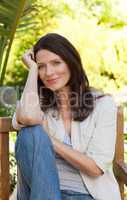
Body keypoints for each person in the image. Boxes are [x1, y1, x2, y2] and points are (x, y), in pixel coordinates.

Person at [12, 33, 121, 200]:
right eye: (41, 66)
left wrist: (49, 140)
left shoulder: (102, 104)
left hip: (86, 195)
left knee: (35, 132)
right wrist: (32, 70)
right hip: (41, 193)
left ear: (71, 63)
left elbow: (96, 168)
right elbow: (26, 118)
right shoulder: (37, 103)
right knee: (30, 133)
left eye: (56, 63)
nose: (48, 72)